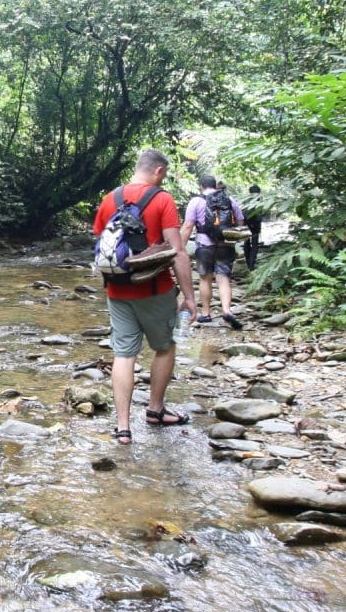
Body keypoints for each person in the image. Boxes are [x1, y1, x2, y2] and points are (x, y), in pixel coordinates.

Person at [92, 149, 199, 443]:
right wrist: (190, 297)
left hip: (117, 290)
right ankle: (155, 410)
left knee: (124, 355)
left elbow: (103, 244)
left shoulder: (109, 199)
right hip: (156, 290)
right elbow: (177, 252)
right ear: (159, 171)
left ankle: (123, 427)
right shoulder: (162, 199)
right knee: (164, 347)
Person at [181, 175, 245, 329]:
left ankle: (205, 313)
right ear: (215, 186)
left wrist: (180, 247)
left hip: (204, 245)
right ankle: (226, 310)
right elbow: (240, 221)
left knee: (205, 279)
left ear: (201, 186)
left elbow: (188, 226)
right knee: (223, 278)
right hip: (225, 246)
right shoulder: (228, 199)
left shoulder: (196, 201)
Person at [243, 185, 264, 270]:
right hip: (255, 225)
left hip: (246, 225)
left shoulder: (245, 200)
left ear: (249, 192)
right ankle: (251, 265)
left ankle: (248, 263)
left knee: (246, 244)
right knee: (254, 245)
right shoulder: (260, 201)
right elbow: (261, 214)